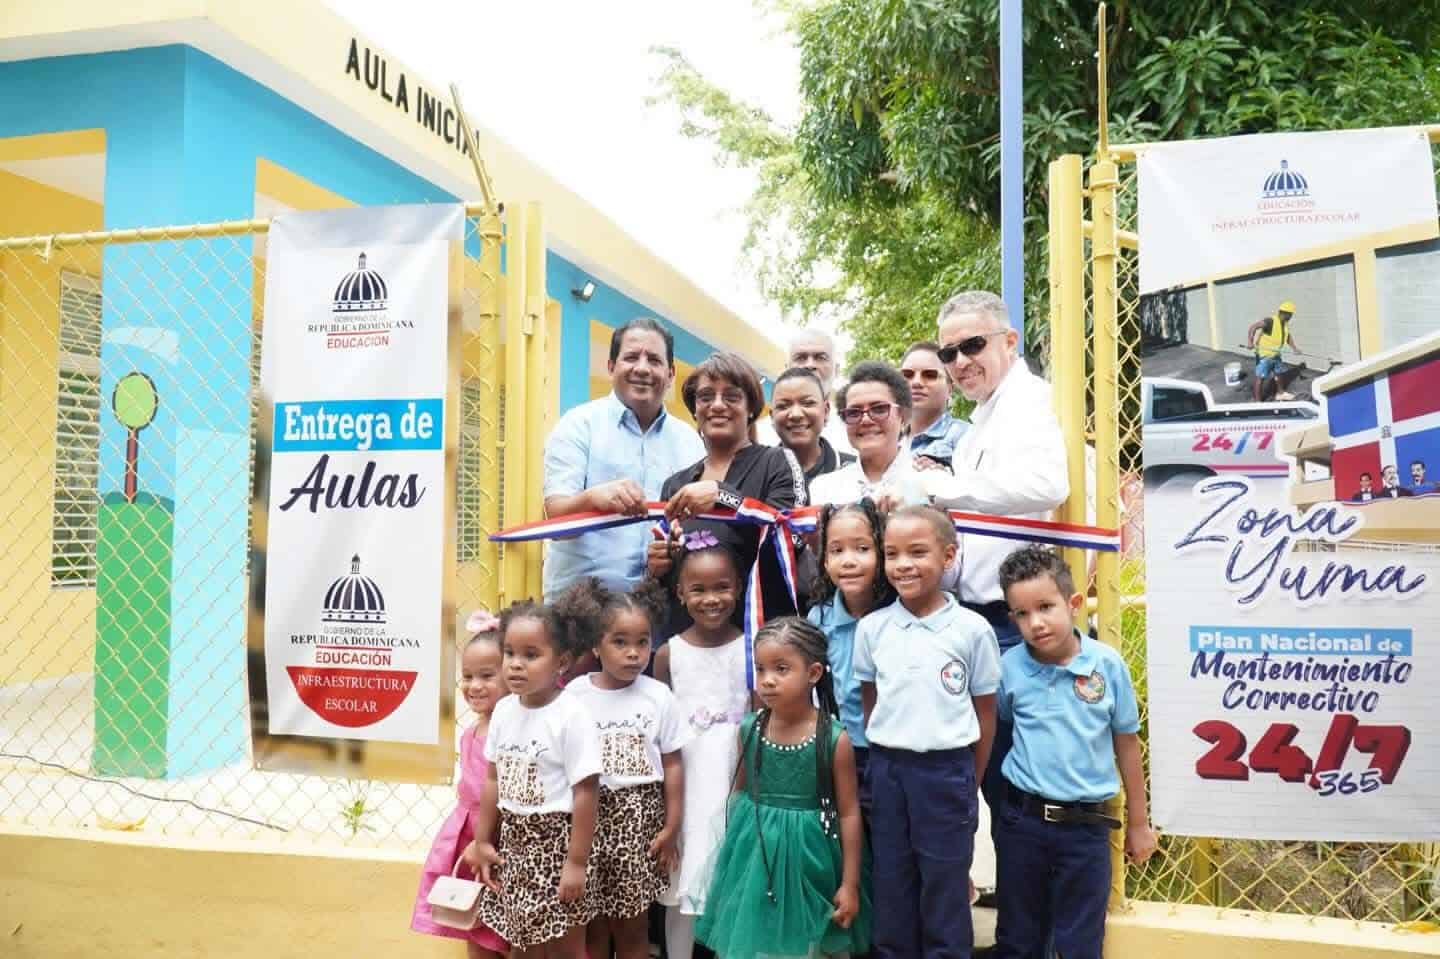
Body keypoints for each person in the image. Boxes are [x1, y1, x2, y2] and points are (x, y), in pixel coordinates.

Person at [918, 290, 1069, 857]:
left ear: (1009, 341)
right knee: (999, 785)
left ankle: (1035, 908)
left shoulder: (1029, 402)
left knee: (1021, 788)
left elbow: (1047, 484)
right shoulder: (987, 414)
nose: (959, 363)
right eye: (949, 352)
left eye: (973, 346)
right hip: (982, 619)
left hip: (1017, 624)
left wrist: (947, 487)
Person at [992, 546, 1157, 959]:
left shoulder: (1107, 666)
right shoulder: (1009, 667)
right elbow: (1004, 727)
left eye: (1046, 607)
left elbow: (1127, 744)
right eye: (1022, 614)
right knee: (1017, 937)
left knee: (1079, 942)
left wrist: (1139, 823)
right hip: (1022, 823)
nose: (1036, 622)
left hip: (1085, 829)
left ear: (1074, 603)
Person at [854, 505, 1000, 958]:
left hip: (947, 771)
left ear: (948, 556)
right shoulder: (872, 628)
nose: (903, 565)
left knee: (944, 883)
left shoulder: (972, 630)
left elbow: (985, 714)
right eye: (892, 553)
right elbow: (871, 701)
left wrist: (969, 779)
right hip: (888, 770)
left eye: (918, 552)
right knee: (892, 880)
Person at [695, 618, 870, 959]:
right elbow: (740, 795)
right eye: (760, 669)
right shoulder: (750, 729)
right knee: (756, 942)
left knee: (808, 944)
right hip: (755, 854)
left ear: (813, 673)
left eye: (781, 668)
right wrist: (734, 861)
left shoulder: (833, 739)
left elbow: (849, 813)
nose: (767, 680)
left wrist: (849, 884)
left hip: (811, 857)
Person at [466, 594, 605, 958]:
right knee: (522, 942)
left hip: (559, 842)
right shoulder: (504, 711)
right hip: (516, 842)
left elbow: (586, 792)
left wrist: (576, 863)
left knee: (566, 947)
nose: (515, 664)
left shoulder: (571, 715)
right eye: (509, 653)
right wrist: (482, 841)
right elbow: (493, 778)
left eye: (531, 655)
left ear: (561, 662)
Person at [565, 579, 690, 959]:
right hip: (586, 821)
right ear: (595, 644)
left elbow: (673, 764)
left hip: (639, 823)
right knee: (593, 925)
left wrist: (671, 827)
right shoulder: (575, 695)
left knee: (632, 926)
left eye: (642, 642)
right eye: (620, 642)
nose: (634, 653)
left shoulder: (658, 696)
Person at [543, 317, 705, 599]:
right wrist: (593, 499)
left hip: (659, 606)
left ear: (670, 374)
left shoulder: (690, 442)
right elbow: (556, 523)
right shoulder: (578, 425)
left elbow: (699, 526)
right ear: (610, 367)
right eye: (631, 357)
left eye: (654, 360)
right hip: (581, 608)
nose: (642, 368)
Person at [652, 352, 807, 633]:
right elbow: (670, 579)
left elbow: (792, 539)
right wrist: (659, 565)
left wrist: (723, 497)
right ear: (695, 410)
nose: (717, 405)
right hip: (691, 643)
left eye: (732, 396)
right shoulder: (675, 485)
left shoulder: (778, 462)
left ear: (751, 408)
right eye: (706, 397)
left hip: (762, 637)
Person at [651, 535, 752, 959]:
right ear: (680, 593)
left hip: (734, 774)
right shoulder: (667, 654)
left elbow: (757, 722)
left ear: (739, 587)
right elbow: (658, 729)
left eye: (722, 587)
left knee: (729, 875)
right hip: (686, 779)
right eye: (698, 589)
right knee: (684, 878)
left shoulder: (751, 648)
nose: (711, 599)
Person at [411, 611, 510, 957]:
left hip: (496, 841)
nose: (474, 685)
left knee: (505, 932)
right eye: (467, 676)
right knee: (472, 924)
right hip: (466, 838)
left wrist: (484, 840)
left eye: (487, 675)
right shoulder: (471, 731)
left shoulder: (511, 732)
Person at [807, 500, 893, 811]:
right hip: (840, 748)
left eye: (862, 549)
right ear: (824, 561)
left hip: (890, 750)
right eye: (837, 550)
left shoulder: (896, 617)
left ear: (881, 553)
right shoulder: (819, 618)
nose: (849, 561)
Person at [810, 361, 928, 509]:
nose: (865, 420)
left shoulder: (932, 483)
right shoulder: (823, 489)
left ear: (903, 416)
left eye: (879, 409)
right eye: (854, 412)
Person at [757, 327, 854, 455]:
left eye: (820, 357)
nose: (810, 365)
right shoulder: (759, 436)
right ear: (787, 369)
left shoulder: (855, 430)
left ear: (836, 370)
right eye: (801, 358)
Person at [769, 366, 855, 491]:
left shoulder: (854, 472)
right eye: (783, 406)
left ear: (826, 411)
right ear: (772, 416)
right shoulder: (756, 471)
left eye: (808, 403)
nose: (796, 414)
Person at [901, 341, 969, 467]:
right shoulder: (886, 440)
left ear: (950, 388)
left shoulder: (968, 436)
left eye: (930, 375)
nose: (916, 382)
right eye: (907, 375)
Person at [1246, 301, 1299, 402]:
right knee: (1260, 378)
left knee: (1278, 374)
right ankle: (1257, 402)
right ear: (1286, 313)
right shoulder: (1270, 321)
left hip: (1276, 354)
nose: (1291, 317)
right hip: (1264, 356)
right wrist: (1250, 341)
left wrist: (1294, 348)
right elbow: (1253, 327)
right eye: (1291, 314)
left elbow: (1287, 336)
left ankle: (1280, 393)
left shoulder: (1284, 324)